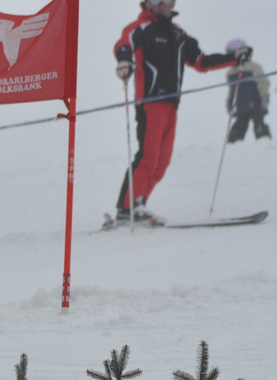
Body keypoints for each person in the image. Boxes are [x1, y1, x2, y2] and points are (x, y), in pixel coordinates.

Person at [113, 0, 243, 223]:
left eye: (167, 0)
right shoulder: (140, 28)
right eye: (156, 0)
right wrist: (124, 60)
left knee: (161, 162)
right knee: (148, 156)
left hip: (172, 104)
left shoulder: (178, 34)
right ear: (147, 4)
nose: (162, 4)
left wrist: (234, 58)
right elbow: (123, 44)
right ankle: (126, 209)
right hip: (150, 101)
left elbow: (201, 61)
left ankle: (138, 205)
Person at [224, 39, 271, 143]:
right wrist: (229, 103)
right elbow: (232, 90)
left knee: (259, 124)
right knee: (238, 128)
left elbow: (263, 84)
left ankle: (265, 144)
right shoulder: (230, 72)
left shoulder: (253, 67)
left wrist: (264, 99)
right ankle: (232, 145)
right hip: (241, 106)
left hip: (255, 104)